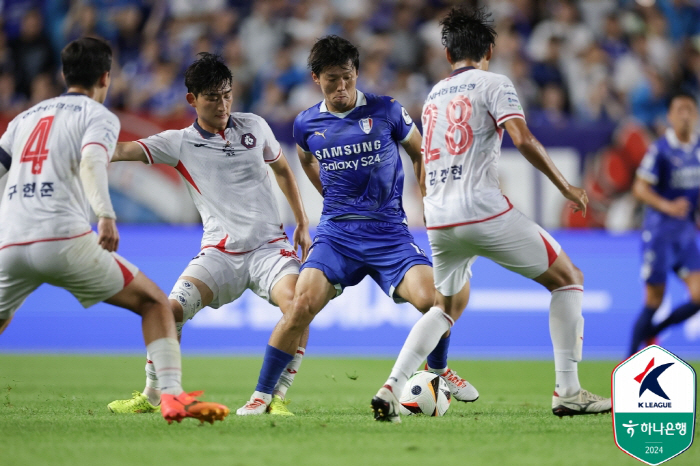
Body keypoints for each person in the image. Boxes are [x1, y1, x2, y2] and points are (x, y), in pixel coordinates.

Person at [371, 7, 612, 423]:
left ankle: (391, 386)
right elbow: (523, 137)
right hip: (481, 209)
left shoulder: (432, 97)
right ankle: (568, 391)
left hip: (440, 217)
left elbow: (425, 163)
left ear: (448, 57)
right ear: (490, 50)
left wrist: (433, 207)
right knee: (569, 279)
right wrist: (565, 186)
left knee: (444, 309)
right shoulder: (495, 83)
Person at [237, 35, 480, 415]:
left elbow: (420, 153)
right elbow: (305, 160)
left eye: (348, 77)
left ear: (356, 74)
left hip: (389, 234)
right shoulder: (306, 124)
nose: (342, 87)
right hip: (336, 236)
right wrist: (329, 196)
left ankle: (439, 369)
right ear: (316, 78)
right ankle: (262, 395)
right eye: (332, 79)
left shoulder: (387, 110)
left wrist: (429, 201)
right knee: (300, 305)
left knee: (435, 301)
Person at [0, 37, 229, 424]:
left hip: (11, 240)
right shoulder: (97, 115)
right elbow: (92, 161)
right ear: (106, 77)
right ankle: (171, 396)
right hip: (62, 237)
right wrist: (105, 215)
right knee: (155, 303)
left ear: (63, 74)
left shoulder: (24, 117)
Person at [106, 53, 312, 416]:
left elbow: (282, 169)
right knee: (169, 311)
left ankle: (275, 398)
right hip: (219, 254)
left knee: (299, 306)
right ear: (192, 99)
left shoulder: (255, 126)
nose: (223, 104)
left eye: (227, 95)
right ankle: (154, 394)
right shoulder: (178, 142)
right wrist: (82, 147)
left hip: (270, 249)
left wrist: (302, 221)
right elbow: (123, 151)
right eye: (212, 97)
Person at [629, 92, 700, 356]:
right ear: (669, 116)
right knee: (654, 299)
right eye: (679, 109)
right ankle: (628, 358)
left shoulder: (698, 148)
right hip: (659, 234)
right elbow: (639, 188)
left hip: (685, 235)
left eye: (690, 109)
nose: (685, 115)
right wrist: (668, 206)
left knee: (698, 296)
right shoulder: (661, 149)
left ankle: (653, 330)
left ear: (695, 116)